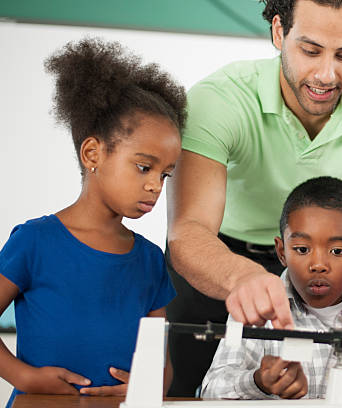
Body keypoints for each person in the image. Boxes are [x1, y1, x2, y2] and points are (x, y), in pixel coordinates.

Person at [165, 0, 342, 396]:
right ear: (279, 31)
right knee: (192, 389)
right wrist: (243, 276)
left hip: (314, 254)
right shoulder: (218, 100)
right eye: (310, 51)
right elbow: (187, 232)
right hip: (219, 256)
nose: (327, 74)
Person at [0, 38, 186, 406]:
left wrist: (150, 384)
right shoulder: (34, 241)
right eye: (144, 167)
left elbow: (160, 356)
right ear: (92, 154)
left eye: (166, 175)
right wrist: (24, 377)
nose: (154, 185)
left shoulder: (149, 259)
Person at [200, 176, 342, 399]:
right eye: (302, 249)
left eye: (338, 251)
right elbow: (211, 390)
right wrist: (259, 382)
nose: (318, 265)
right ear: (282, 252)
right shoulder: (257, 309)